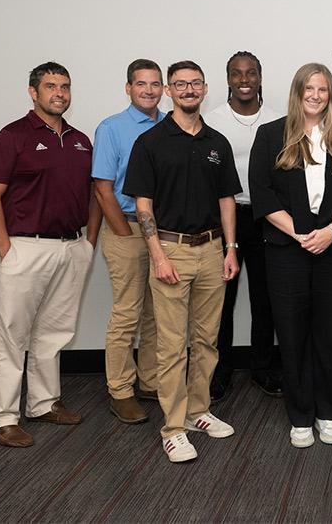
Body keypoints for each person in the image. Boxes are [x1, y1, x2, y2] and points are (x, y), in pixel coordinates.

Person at [122, 60, 241, 463]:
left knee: (206, 341)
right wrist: (156, 255)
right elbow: (142, 204)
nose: (188, 90)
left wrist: (230, 248)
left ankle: (198, 411)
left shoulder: (217, 142)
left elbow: (227, 200)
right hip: (169, 251)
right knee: (172, 346)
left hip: (211, 252)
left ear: (205, 88)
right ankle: (173, 428)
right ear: (169, 91)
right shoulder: (151, 143)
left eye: (195, 83)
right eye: (180, 84)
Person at [0, 61, 101, 447]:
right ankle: (2, 417)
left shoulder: (81, 140)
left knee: (54, 333)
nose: (59, 93)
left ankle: (44, 403)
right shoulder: (12, 136)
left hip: (71, 246)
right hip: (25, 248)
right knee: (13, 336)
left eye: (65, 86)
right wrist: (7, 250)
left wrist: (89, 242)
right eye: (50, 86)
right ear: (33, 92)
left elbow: (96, 194)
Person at [249, 63, 332, 448]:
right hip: (287, 250)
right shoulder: (271, 135)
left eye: (322, 89)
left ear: (330, 94)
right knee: (293, 333)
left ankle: (330, 412)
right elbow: (262, 193)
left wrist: (331, 231)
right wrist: (300, 234)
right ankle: (300, 415)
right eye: (309, 89)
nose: (315, 96)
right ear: (297, 91)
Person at [205, 51, 282, 401]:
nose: (244, 79)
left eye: (251, 73)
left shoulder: (277, 119)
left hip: (267, 218)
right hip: (227, 219)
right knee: (223, 299)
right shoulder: (212, 121)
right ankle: (218, 371)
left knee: (265, 298)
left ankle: (262, 367)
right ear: (228, 80)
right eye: (237, 74)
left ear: (261, 77)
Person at [93, 59, 165, 424]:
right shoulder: (112, 128)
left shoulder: (171, 125)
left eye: (155, 84)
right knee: (127, 312)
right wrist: (124, 231)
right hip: (127, 227)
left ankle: (150, 381)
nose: (149, 90)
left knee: (157, 312)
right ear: (128, 88)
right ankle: (120, 390)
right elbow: (103, 188)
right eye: (141, 84)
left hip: (162, 231)